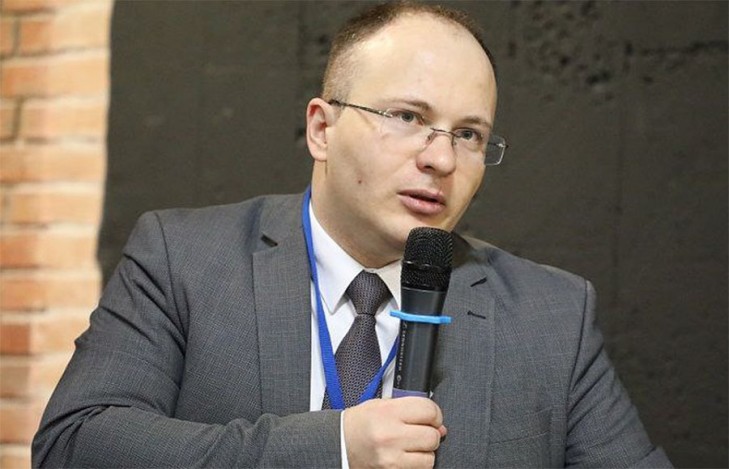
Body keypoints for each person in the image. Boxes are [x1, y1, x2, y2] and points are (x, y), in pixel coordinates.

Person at [32, 2, 672, 468]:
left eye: (469, 135)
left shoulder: (551, 315)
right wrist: (333, 448)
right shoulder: (185, 260)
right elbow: (74, 445)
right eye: (408, 117)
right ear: (322, 129)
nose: (440, 159)